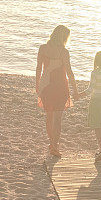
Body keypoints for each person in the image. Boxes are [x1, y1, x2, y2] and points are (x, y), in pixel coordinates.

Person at [36, 25, 79, 158]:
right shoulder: (64, 52)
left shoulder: (43, 48)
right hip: (60, 86)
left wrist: (37, 85)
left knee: (49, 117)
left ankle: (52, 143)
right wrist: (75, 90)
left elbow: (38, 68)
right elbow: (69, 73)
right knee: (58, 119)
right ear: (63, 37)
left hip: (46, 85)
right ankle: (55, 146)